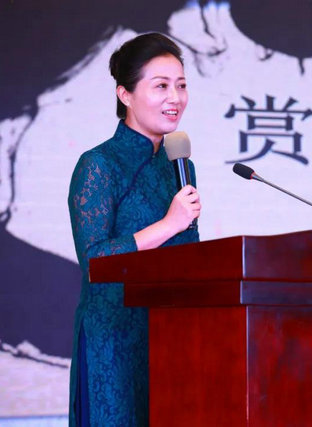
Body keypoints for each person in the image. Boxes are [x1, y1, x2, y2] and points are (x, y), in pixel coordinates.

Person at [67, 32, 201, 426]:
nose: (175, 98)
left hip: (171, 334)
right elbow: (94, 260)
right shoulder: (99, 164)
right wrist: (168, 224)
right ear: (125, 95)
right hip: (114, 338)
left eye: (181, 85)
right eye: (161, 86)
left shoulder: (180, 166)